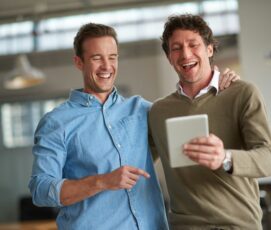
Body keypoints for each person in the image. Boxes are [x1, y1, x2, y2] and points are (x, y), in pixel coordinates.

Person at [28, 22, 238, 230]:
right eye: (96, 58)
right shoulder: (56, 122)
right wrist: (102, 181)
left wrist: (217, 84)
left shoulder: (142, 109)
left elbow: (190, 115)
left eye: (112, 57)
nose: (106, 66)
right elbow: (40, 189)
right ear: (79, 62)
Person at [149, 14, 271, 230]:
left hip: (238, 226)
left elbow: (268, 159)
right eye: (176, 48)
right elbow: (137, 159)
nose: (185, 54)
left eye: (193, 44)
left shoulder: (242, 93)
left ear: (209, 49)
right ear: (169, 57)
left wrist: (225, 157)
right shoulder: (158, 111)